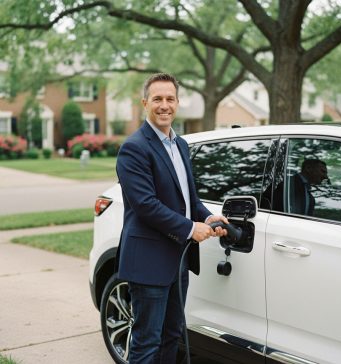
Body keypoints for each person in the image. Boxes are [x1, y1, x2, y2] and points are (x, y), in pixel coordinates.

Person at [116, 73, 228, 364]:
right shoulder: (134, 148)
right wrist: (191, 228)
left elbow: (188, 199)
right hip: (148, 262)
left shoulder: (181, 146)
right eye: (157, 99)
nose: (164, 105)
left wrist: (207, 216)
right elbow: (146, 205)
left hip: (178, 261)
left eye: (169, 99)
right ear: (145, 103)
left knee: (172, 337)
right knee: (146, 343)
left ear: (177, 103)